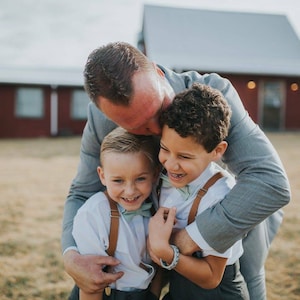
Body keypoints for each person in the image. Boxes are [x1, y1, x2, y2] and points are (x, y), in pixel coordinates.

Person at [62, 42, 290, 300]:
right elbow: (82, 191)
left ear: (159, 74)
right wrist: (71, 255)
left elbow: (271, 183)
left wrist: (183, 241)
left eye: (159, 110)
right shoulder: (100, 116)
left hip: (219, 230)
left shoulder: (215, 94)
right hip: (140, 238)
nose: (158, 129)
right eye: (139, 127)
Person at [148, 83, 249, 299]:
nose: (171, 165)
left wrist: (166, 253)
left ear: (217, 151)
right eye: (165, 149)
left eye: (184, 157)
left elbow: (212, 277)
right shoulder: (162, 178)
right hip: (180, 287)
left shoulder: (220, 195)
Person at [72, 126, 161, 300]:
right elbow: (90, 283)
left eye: (140, 178)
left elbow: (159, 267)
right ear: (102, 176)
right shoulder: (93, 215)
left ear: (155, 174)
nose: (129, 191)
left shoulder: (157, 207)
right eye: (118, 180)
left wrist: (153, 295)